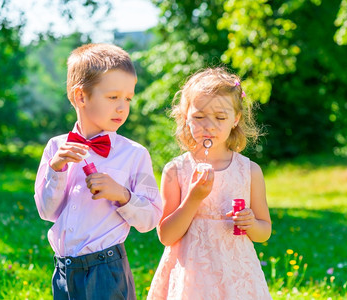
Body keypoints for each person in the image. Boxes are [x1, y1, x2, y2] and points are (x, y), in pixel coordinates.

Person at [34, 43, 162, 300]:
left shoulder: (134, 154)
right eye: (113, 97)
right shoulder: (56, 148)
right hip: (63, 269)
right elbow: (47, 212)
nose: (122, 107)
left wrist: (123, 195)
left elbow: (151, 218)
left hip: (106, 269)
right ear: (81, 97)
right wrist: (57, 170)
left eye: (128, 98)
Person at [147, 68, 272, 299]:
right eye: (199, 116)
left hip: (236, 274)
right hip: (191, 274)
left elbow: (264, 232)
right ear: (186, 117)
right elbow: (166, 235)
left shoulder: (249, 171)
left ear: (235, 119)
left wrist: (251, 223)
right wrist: (194, 198)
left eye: (220, 117)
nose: (209, 125)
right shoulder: (176, 170)